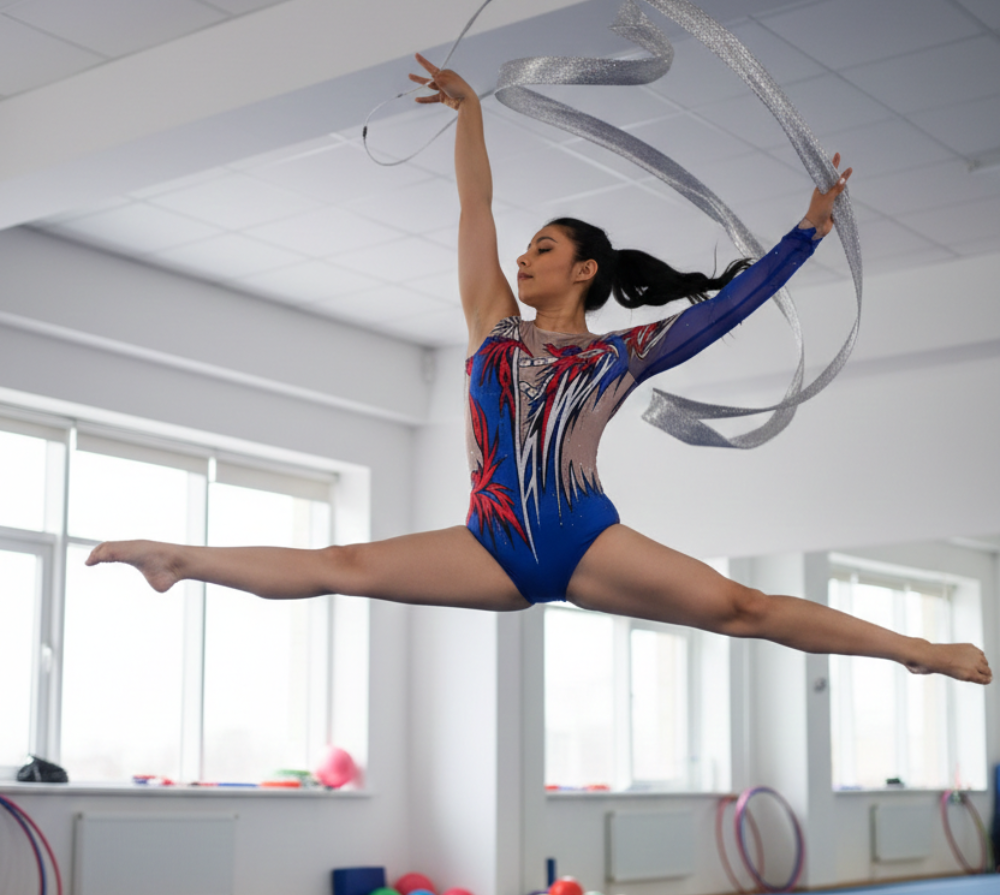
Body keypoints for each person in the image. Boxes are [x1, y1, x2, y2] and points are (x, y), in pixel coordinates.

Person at [87, 55, 991, 687]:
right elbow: (473, 206)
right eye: (525, 248)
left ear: (585, 269)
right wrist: (470, 112)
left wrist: (806, 235)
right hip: (488, 546)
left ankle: (918, 651)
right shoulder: (492, 327)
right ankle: (180, 559)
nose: (523, 257)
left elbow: (724, 311)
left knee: (741, 608)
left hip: (585, 541)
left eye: (544, 248)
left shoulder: (620, 353)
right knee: (342, 563)